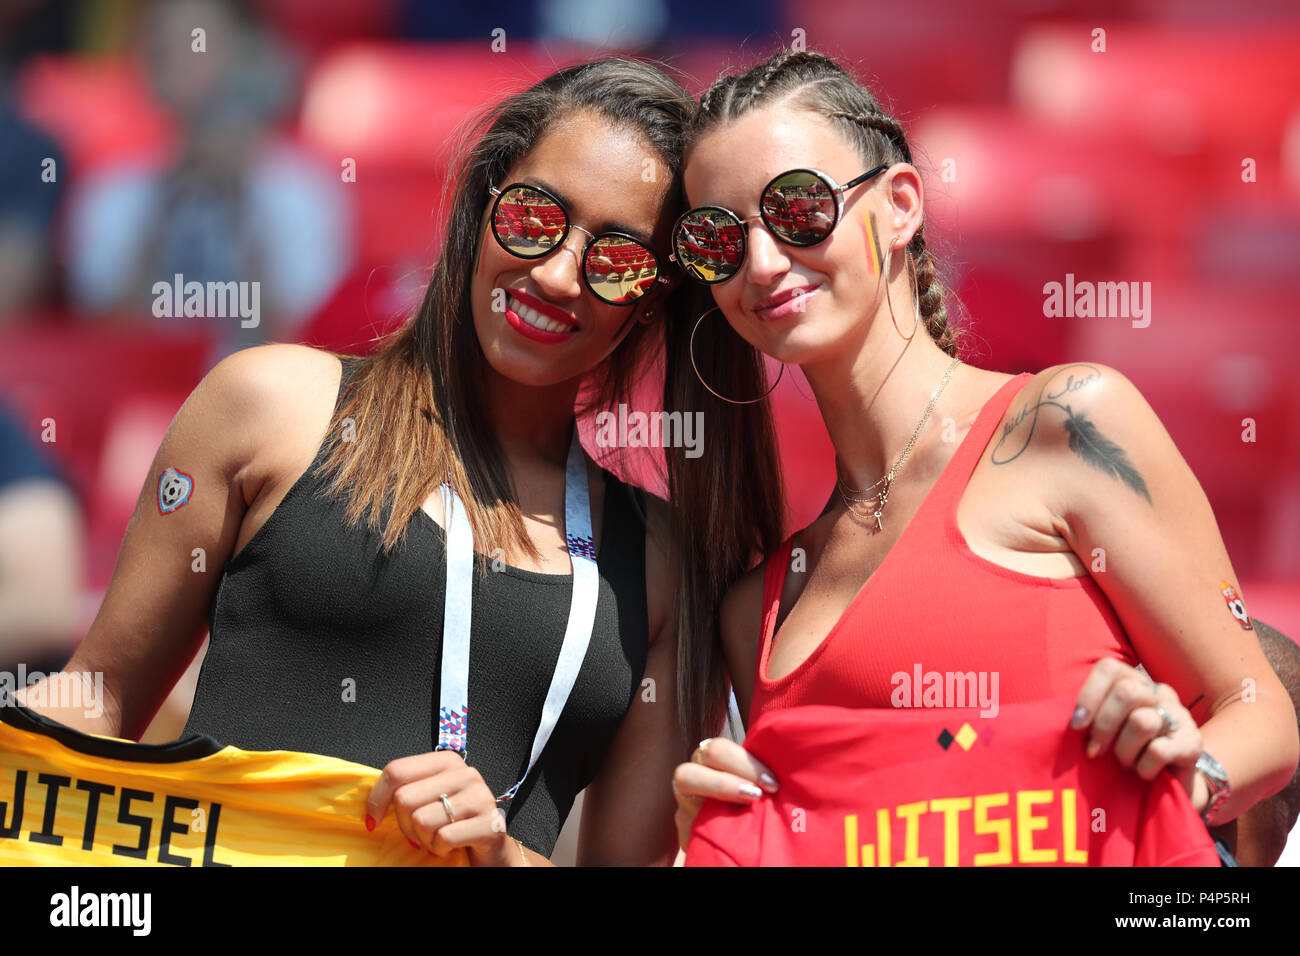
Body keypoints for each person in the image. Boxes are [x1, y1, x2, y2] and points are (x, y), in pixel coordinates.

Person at [19, 58, 784, 867]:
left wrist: (504, 857)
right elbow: (90, 707)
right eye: (534, 218)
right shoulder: (269, 406)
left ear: (656, 299)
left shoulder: (665, 563)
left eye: (619, 260)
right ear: (480, 207)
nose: (559, 275)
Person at [668, 49, 1299, 859]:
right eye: (717, 238)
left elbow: (1262, 715)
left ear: (899, 207)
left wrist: (1183, 775)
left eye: (797, 208)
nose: (759, 264)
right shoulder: (754, 608)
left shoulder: (1066, 420)